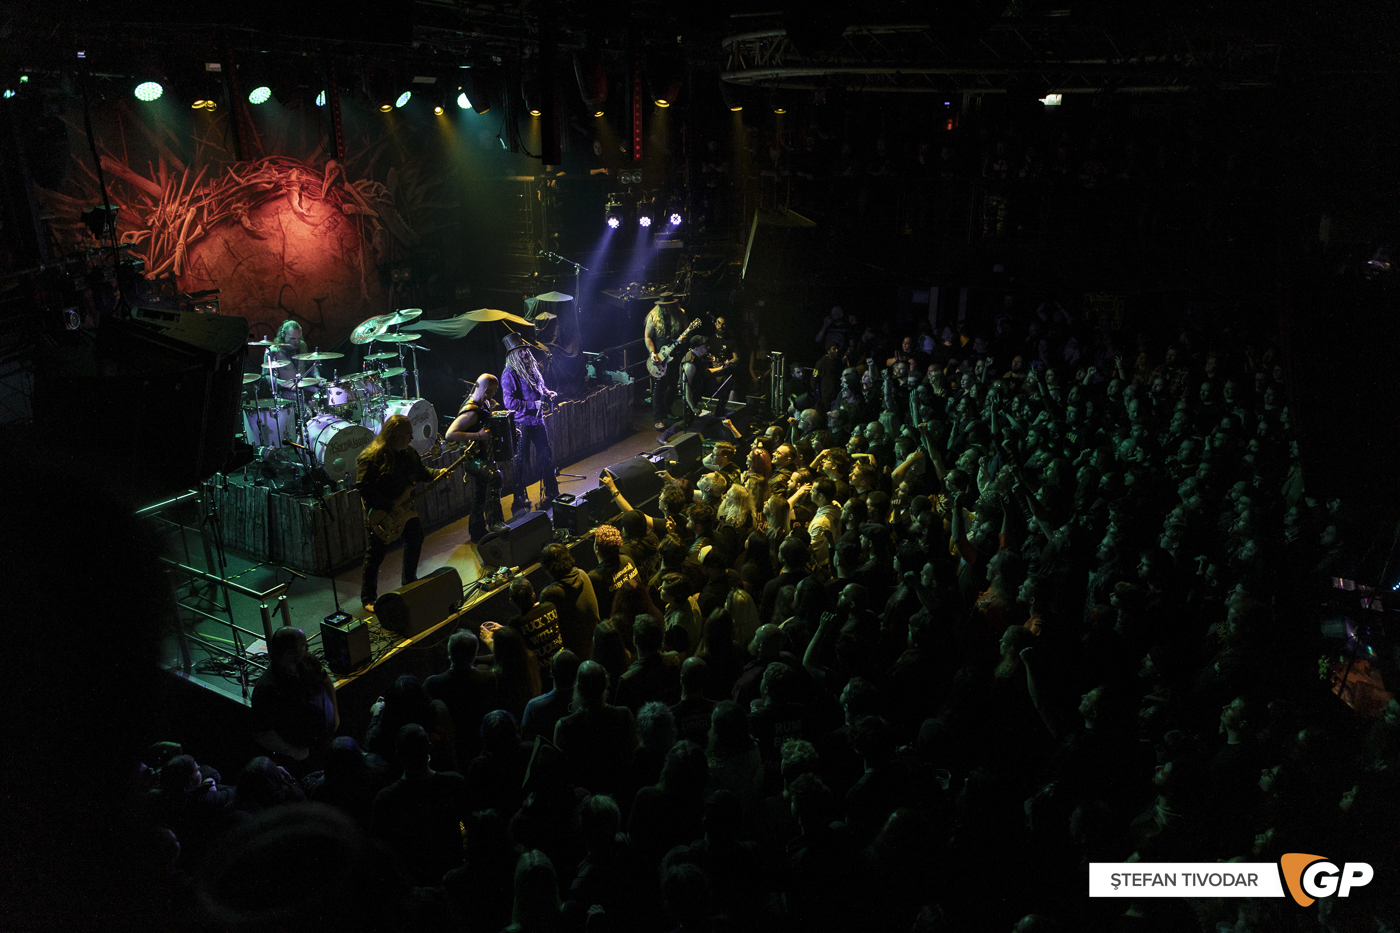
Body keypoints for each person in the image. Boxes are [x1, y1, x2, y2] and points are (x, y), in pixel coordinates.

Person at [356, 413, 450, 611]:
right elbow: (364, 488)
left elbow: (421, 472)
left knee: (415, 537)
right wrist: (390, 507)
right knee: (376, 554)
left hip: (405, 509)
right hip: (381, 513)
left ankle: (409, 580)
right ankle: (368, 598)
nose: (412, 437)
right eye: (408, 433)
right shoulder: (372, 458)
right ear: (394, 435)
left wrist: (438, 474)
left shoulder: (409, 453)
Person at [370, 723, 470, 885]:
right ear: (429, 747)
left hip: (408, 885)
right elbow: (471, 828)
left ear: (398, 754)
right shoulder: (454, 784)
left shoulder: (386, 799)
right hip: (452, 882)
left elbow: (381, 852)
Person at [250, 626, 340, 768]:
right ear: (288, 652)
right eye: (303, 645)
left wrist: (335, 714)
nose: (308, 647)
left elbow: (326, 681)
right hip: (303, 756)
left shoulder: (307, 660)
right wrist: (293, 751)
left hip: (326, 739)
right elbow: (261, 732)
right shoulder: (267, 688)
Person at [444, 373, 509, 542]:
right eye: (492, 392)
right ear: (486, 390)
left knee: (481, 492)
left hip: (481, 455)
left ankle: (477, 530)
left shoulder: (483, 404)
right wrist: (478, 436)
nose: (493, 396)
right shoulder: (471, 412)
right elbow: (450, 434)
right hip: (471, 458)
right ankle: (494, 522)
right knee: (494, 476)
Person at [500, 333, 559, 514]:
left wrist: (547, 392)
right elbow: (509, 402)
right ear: (513, 354)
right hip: (522, 423)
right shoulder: (509, 373)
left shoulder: (532, 368)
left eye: (525, 349)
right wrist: (533, 405)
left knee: (545, 456)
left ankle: (551, 493)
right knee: (521, 461)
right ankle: (519, 498)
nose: (525, 353)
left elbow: (540, 387)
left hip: (537, 420)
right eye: (520, 351)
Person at [539, 542, 600, 660]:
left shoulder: (550, 593)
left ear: (547, 569)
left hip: (576, 655)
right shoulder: (582, 574)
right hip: (596, 643)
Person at [644, 295, 692, 430]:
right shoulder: (653, 316)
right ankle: (658, 419)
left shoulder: (681, 314)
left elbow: (687, 332)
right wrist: (652, 353)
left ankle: (667, 410)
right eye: (662, 306)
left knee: (673, 385)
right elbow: (647, 337)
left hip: (675, 355)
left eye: (667, 306)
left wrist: (685, 338)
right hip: (659, 356)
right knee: (659, 387)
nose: (664, 309)